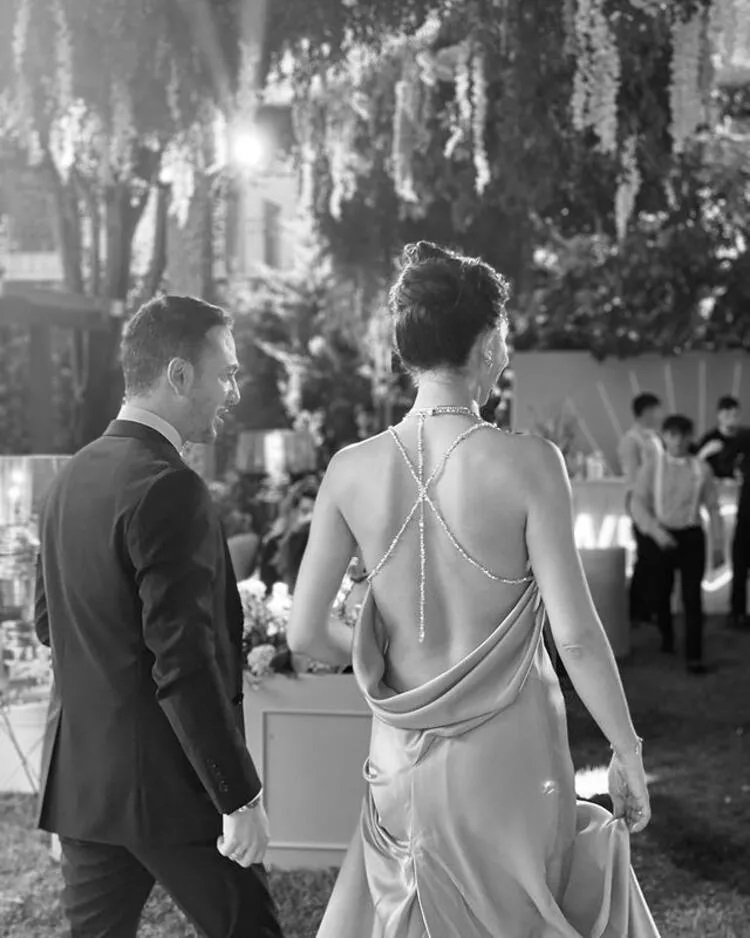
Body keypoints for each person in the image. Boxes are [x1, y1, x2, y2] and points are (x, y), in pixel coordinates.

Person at [287, 242, 660, 937]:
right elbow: (577, 637)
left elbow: (305, 633)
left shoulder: (349, 470)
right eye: (505, 339)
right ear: (488, 343)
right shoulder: (531, 463)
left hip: (401, 757)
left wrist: (379, 654)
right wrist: (627, 750)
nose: (506, 354)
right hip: (513, 756)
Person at [34, 295, 283, 938]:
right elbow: (185, 663)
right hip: (173, 790)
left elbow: (49, 625)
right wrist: (238, 797)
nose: (233, 392)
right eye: (227, 373)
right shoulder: (170, 487)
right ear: (178, 374)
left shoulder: (68, 479)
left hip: (86, 789)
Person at [631, 414, 724, 675]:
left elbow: (714, 508)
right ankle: (667, 637)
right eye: (673, 435)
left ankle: (694, 655)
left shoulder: (702, 469)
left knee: (692, 597)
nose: (678, 441)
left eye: (683, 435)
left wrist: (718, 545)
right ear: (665, 436)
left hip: (692, 537)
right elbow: (637, 503)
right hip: (662, 535)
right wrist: (655, 531)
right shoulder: (653, 466)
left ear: (690, 437)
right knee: (662, 594)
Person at [695, 395, 750, 630]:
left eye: (735, 413)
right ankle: (737, 612)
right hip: (740, 508)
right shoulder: (715, 439)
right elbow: (698, 466)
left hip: (742, 507)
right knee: (739, 560)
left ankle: (737, 612)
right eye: (727, 413)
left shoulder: (744, 436)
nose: (731, 418)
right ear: (719, 415)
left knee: (740, 559)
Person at [617, 393, 663, 625]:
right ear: (646, 412)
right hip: (640, 501)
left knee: (654, 557)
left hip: (657, 502)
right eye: (656, 410)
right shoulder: (631, 440)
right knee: (646, 556)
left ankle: (649, 607)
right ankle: (636, 609)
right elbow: (633, 476)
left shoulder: (654, 438)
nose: (660, 415)